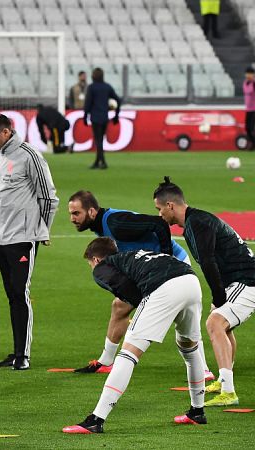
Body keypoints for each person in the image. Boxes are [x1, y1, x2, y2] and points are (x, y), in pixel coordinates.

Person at [62, 238, 207, 434]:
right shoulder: (134, 255)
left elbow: (124, 287)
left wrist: (146, 310)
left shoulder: (102, 267)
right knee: (189, 349)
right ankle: (197, 412)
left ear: (96, 259)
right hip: (191, 281)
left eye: (90, 264)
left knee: (128, 353)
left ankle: (96, 420)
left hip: (163, 287)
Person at [67, 190, 215, 381]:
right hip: (152, 271)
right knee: (119, 306)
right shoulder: (103, 227)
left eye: (76, 213)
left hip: (172, 267)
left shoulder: (115, 222)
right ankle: (106, 362)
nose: (72, 218)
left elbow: (159, 224)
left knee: (184, 321)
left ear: (92, 212)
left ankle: (203, 370)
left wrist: (167, 257)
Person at [154, 177, 255, 407]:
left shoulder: (197, 223)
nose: (160, 214)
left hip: (247, 281)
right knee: (224, 326)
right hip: (237, 280)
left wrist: (219, 297)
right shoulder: (195, 221)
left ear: (170, 205)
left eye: (159, 209)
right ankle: (223, 381)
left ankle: (228, 392)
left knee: (215, 323)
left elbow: (208, 262)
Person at [0, 113, 59, 370]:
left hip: (24, 237)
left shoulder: (30, 155)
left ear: (6, 132)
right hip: (2, 236)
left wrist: (42, 230)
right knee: (12, 295)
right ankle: (16, 351)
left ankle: (23, 355)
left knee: (20, 292)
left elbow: (48, 196)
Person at [83, 68, 121, 170]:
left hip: (95, 117)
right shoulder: (107, 87)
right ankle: (97, 162)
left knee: (98, 140)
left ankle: (103, 162)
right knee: (100, 140)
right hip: (104, 117)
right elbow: (118, 100)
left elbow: (88, 103)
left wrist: (85, 116)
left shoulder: (91, 87)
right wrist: (116, 115)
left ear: (93, 76)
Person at [244, 67, 255, 150]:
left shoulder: (254, 83)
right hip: (248, 109)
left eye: (250, 73)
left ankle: (252, 144)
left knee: (251, 128)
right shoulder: (245, 83)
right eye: (247, 73)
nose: (248, 75)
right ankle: (252, 143)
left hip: (254, 109)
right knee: (247, 128)